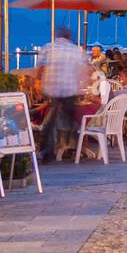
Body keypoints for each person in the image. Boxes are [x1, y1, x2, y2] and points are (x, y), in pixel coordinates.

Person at [39, 26, 89, 164]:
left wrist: (40, 85)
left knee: (51, 120)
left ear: (56, 36)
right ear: (68, 36)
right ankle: (71, 145)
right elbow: (83, 70)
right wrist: (82, 86)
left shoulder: (48, 47)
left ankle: (48, 151)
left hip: (52, 90)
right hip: (69, 90)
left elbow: (40, 69)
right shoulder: (75, 50)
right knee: (71, 118)